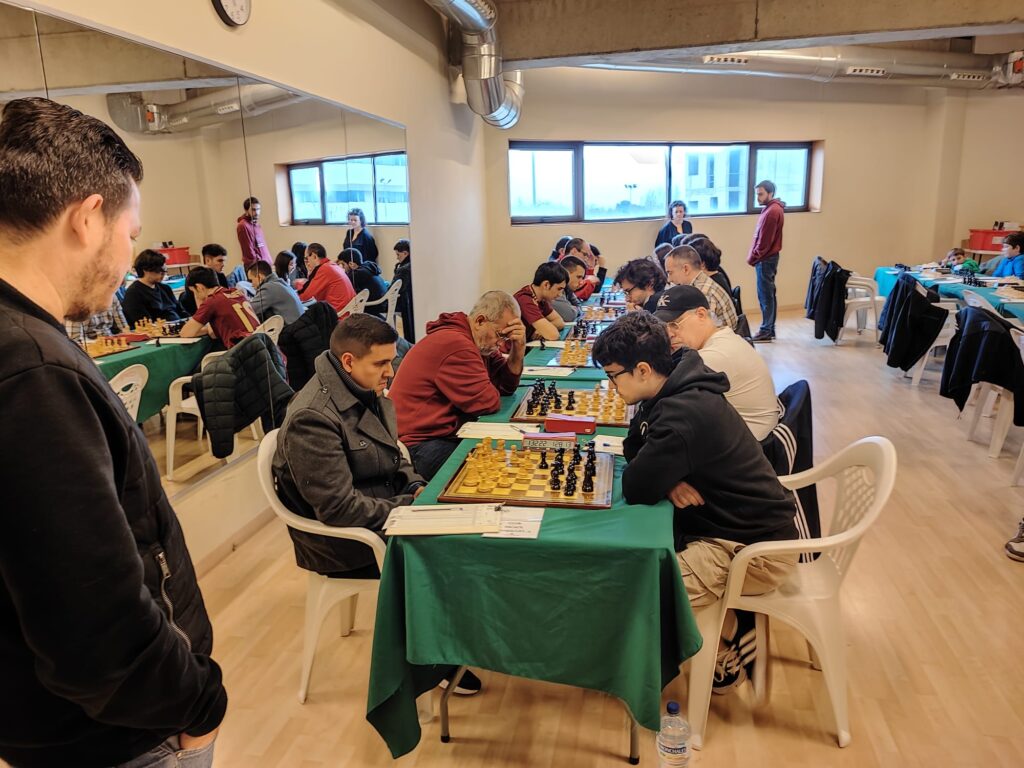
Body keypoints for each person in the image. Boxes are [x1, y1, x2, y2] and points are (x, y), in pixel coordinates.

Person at [0, 97, 225, 768]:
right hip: (115, 735)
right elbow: (96, 631)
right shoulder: (32, 369)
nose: (129, 256)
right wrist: (198, 703)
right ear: (87, 218)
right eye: (130, 233)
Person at [270, 315, 486, 697]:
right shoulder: (312, 418)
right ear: (349, 361)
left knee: (466, 521)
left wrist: (416, 486)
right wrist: (409, 507)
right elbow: (338, 509)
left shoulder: (364, 387)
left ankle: (453, 635)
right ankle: (431, 657)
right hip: (340, 540)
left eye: (391, 360)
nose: (391, 371)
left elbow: (395, 455)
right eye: (382, 363)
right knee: (451, 547)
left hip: (379, 509)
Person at [592, 312, 797, 691]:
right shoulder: (675, 381)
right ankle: (729, 621)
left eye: (613, 376)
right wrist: (669, 479)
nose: (611, 385)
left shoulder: (682, 415)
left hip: (753, 549)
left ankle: (728, 641)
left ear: (642, 370)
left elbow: (636, 486)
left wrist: (659, 474)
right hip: (730, 525)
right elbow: (634, 445)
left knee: (641, 593)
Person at [390, 291, 526, 479]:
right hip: (419, 444)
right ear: (480, 321)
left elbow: (506, 387)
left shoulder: (477, 341)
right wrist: (492, 384)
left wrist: (518, 349)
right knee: (495, 472)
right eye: (500, 335)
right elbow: (487, 402)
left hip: (442, 435)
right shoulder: (457, 344)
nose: (501, 344)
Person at [653, 285, 780, 441]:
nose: (669, 334)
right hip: (747, 434)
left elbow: (662, 397)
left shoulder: (714, 356)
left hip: (752, 444)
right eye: (665, 327)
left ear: (701, 314)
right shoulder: (723, 337)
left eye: (675, 324)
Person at [180, 266, 260, 348]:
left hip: (243, 350)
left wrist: (200, 303)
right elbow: (213, 333)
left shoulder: (212, 301)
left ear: (199, 287)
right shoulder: (235, 292)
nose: (195, 296)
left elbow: (185, 333)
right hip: (259, 344)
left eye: (193, 292)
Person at [663, 245, 739, 331]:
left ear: (686, 269)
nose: (669, 279)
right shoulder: (700, 285)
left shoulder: (703, 292)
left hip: (720, 338)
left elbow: (702, 331)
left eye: (670, 273)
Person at [747, 180, 785, 343]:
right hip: (766, 258)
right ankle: (769, 328)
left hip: (765, 259)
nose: (758, 198)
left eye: (761, 194)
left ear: (771, 193)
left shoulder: (772, 212)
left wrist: (753, 257)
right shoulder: (771, 209)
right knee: (768, 294)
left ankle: (766, 330)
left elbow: (764, 242)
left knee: (765, 295)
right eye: (757, 194)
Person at [121, 248, 185, 327]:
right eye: (159, 270)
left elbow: (181, 312)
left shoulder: (165, 288)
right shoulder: (133, 294)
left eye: (164, 270)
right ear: (145, 270)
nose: (163, 274)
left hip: (179, 327)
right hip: (159, 331)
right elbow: (144, 324)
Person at [514, 262, 569, 341]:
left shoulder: (540, 299)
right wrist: (547, 329)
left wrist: (541, 330)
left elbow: (560, 322)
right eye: (559, 289)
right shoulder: (525, 299)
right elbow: (553, 335)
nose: (560, 294)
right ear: (546, 285)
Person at [298, 242, 356, 313]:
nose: (307, 262)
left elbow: (304, 296)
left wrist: (297, 286)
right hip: (349, 310)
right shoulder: (332, 265)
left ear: (314, 256)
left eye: (307, 258)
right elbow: (320, 295)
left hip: (339, 314)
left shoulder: (323, 269)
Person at [247, 260, 305, 325]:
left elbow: (249, 310)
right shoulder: (278, 283)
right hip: (300, 325)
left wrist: (243, 299)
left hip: (293, 329)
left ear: (259, 277)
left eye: (251, 280)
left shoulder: (269, 288)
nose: (251, 284)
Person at [180, 243, 230, 315]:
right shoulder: (195, 277)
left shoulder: (221, 276)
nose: (223, 264)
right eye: (220, 261)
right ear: (208, 260)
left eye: (224, 261)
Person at [340, 247, 388, 316]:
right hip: (382, 304)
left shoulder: (356, 274)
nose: (342, 268)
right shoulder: (368, 268)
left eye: (343, 264)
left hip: (373, 308)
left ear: (351, 264)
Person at [236, 196, 272, 268]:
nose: (257, 213)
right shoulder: (243, 226)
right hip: (256, 267)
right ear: (246, 210)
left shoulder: (256, 224)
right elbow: (248, 251)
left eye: (258, 209)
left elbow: (262, 247)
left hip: (266, 265)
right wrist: (260, 266)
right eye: (253, 210)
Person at [552, 255, 587, 322]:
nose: (581, 282)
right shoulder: (556, 289)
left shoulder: (568, 288)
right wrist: (574, 309)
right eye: (578, 277)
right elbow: (569, 316)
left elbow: (578, 305)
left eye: (582, 278)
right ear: (566, 273)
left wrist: (574, 308)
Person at [393, 238, 415, 342]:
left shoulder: (403, 269)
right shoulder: (413, 265)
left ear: (405, 253)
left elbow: (394, 288)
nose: (397, 258)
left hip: (405, 302)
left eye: (398, 255)